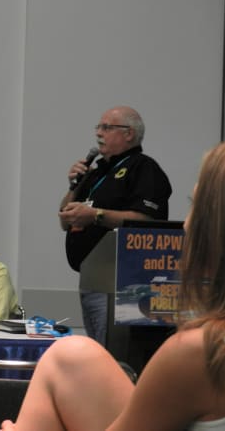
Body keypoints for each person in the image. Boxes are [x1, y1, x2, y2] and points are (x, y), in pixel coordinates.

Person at [1, 136, 225, 431]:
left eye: (195, 205)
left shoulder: (202, 353)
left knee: (67, 357)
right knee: (71, 357)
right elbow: (66, 215)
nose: (186, 224)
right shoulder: (97, 172)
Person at [58, 106, 172, 345]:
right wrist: (74, 187)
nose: (98, 133)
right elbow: (64, 221)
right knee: (99, 350)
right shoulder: (96, 172)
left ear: (129, 133)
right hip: (91, 280)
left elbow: (147, 221)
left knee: (113, 353)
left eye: (107, 127)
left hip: (122, 286)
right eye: (98, 127)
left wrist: (95, 215)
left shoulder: (143, 168)